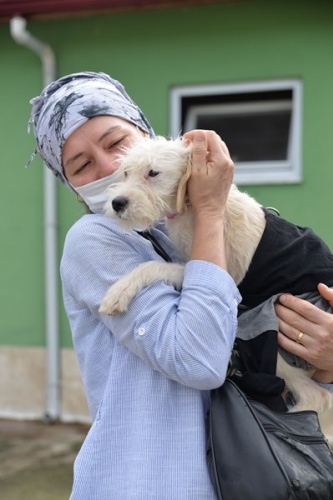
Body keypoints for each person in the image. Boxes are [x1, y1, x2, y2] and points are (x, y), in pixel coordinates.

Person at [28, 71, 333, 499]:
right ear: (71, 185)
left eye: (117, 143)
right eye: (81, 164)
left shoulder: (165, 229)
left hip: (230, 474)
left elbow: (250, 341)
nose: (109, 167)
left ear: (145, 134)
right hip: (149, 480)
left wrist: (326, 361)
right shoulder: (93, 240)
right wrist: (209, 209)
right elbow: (199, 359)